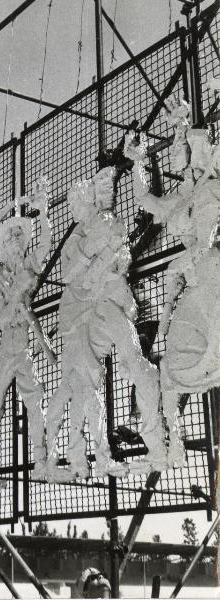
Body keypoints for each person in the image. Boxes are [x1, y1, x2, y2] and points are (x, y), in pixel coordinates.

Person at [46, 167, 167, 482]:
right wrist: (93, 257)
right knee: (83, 390)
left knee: (132, 369)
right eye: (73, 204)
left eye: (78, 202)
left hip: (108, 304)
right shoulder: (80, 235)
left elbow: (120, 259)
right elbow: (72, 274)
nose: (76, 209)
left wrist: (104, 259)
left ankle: (154, 447)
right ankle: (78, 459)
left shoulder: (111, 223)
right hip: (81, 317)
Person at [125, 96, 220, 466]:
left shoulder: (213, 189)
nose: (185, 156)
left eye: (191, 147)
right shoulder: (183, 198)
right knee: (168, 371)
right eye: (181, 148)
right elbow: (146, 200)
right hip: (194, 287)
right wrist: (138, 163)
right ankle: (174, 446)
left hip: (213, 274)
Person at [0, 177, 56, 487]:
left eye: (20, 238)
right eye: (10, 239)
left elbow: (47, 244)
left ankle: (40, 461)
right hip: (8, 347)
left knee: (35, 402)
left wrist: (43, 211)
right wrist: (8, 208)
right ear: (5, 246)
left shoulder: (29, 269)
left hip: (26, 348)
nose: (16, 242)